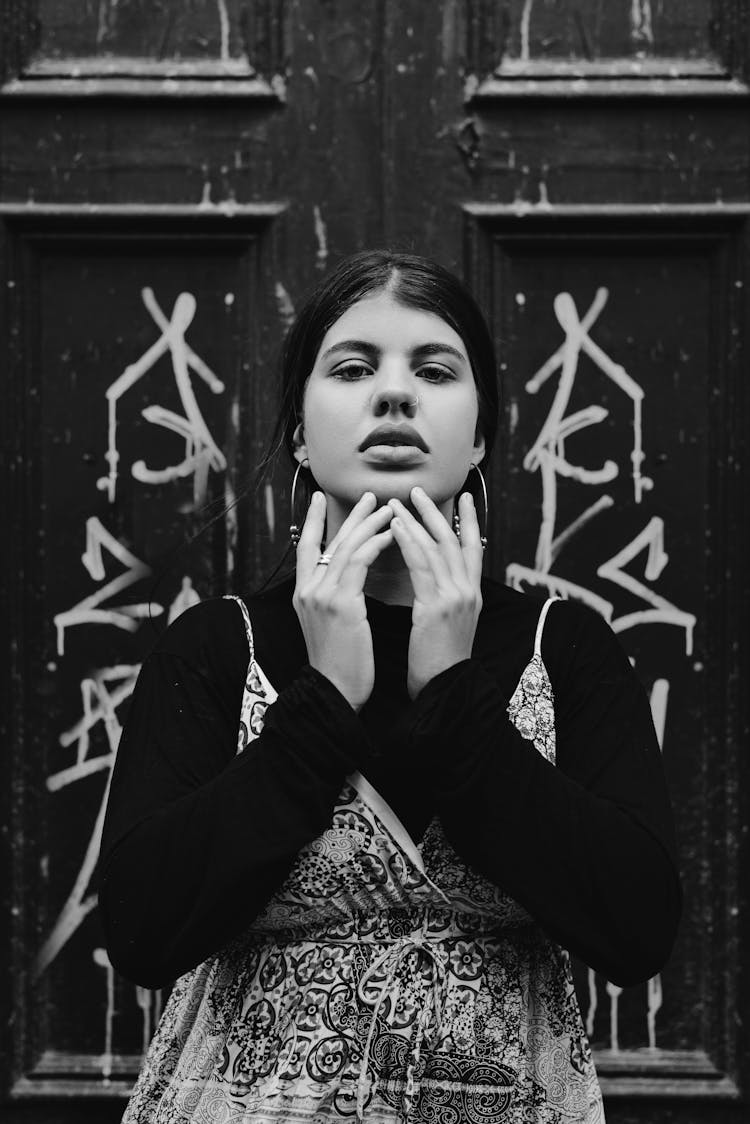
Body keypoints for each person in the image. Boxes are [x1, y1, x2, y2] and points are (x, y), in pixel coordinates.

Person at [99, 250, 681, 1124]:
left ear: (481, 433)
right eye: (354, 367)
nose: (396, 394)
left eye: (435, 370)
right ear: (300, 428)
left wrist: (454, 692)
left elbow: (637, 932)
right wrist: (322, 701)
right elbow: (143, 933)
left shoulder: (562, 648)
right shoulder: (222, 646)